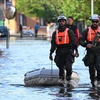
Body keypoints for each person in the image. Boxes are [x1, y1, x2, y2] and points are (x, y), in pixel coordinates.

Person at [49, 15, 79, 85]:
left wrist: (76, 51)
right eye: (60, 22)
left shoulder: (69, 31)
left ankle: (68, 81)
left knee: (68, 67)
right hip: (59, 52)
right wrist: (50, 53)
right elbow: (53, 44)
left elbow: (74, 42)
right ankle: (61, 82)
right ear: (58, 22)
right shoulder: (55, 33)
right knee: (61, 68)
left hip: (68, 51)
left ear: (65, 22)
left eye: (63, 21)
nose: (62, 23)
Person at [79, 14, 100, 88]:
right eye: (93, 21)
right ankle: (93, 83)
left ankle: (98, 81)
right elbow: (80, 40)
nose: (95, 23)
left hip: (99, 52)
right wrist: (86, 45)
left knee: (99, 67)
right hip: (90, 52)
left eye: (96, 21)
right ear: (91, 21)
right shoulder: (86, 30)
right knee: (91, 68)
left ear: (98, 21)